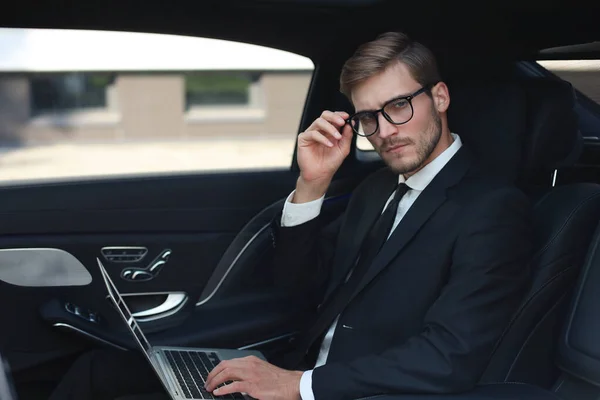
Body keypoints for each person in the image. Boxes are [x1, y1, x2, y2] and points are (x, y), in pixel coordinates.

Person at [49, 31, 532, 400]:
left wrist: (297, 385)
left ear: (440, 98)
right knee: (96, 371)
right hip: (295, 368)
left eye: (399, 106)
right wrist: (312, 184)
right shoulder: (376, 188)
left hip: (352, 390)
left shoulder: (491, 209)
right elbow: (301, 291)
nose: (384, 130)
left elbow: (449, 358)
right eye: (368, 117)